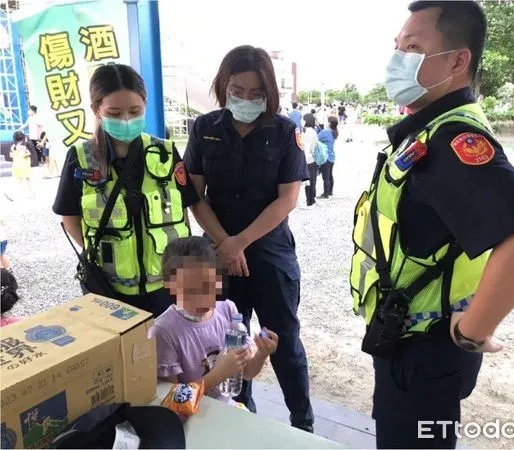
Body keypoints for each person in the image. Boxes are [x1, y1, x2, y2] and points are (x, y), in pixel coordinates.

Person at [349, 2, 514, 448]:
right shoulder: (427, 130)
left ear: (458, 60)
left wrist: (471, 331)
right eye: (398, 47)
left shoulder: (452, 141)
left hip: (425, 350)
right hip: (404, 338)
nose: (397, 59)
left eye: (413, 47)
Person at [183, 45, 314, 432]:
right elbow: (194, 195)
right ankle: (239, 417)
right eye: (236, 90)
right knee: (227, 344)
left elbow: (287, 199)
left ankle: (302, 424)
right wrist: (226, 243)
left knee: (283, 342)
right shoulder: (205, 128)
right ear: (223, 86)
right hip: (220, 256)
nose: (244, 99)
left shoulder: (285, 130)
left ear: (268, 92)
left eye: (255, 93)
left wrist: (240, 242)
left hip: (270, 254)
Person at [53, 64, 200, 318]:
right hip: (109, 291)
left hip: (165, 288)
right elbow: (70, 220)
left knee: (167, 354)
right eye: (114, 112)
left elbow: (182, 215)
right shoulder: (80, 159)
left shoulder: (165, 153)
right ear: (96, 110)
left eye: (135, 111)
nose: (126, 120)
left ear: (145, 104)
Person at [149, 236, 279, 406]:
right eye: (190, 289)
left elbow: (246, 373)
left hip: (225, 407)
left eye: (208, 285)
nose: (202, 297)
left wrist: (261, 354)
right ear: (169, 286)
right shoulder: (163, 331)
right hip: (191, 417)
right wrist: (219, 373)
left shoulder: (227, 310)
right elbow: (172, 403)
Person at [317, 116, 338, 199]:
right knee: (330, 175)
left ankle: (325, 194)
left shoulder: (325, 132)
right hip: (332, 157)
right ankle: (330, 191)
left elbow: (316, 137)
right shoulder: (333, 131)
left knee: (325, 177)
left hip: (325, 156)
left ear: (329, 123)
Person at [10, 131, 34, 197]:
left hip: (16, 166)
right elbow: (27, 154)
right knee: (28, 179)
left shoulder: (13, 146)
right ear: (23, 138)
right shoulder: (23, 147)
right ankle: (31, 193)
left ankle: (12, 194)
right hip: (24, 167)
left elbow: (11, 155)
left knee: (18, 180)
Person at [302, 114, 319, 207]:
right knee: (313, 180)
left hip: (308, 160)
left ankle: (309, 202)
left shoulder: (306, 132)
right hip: (313, 159)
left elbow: (307, 148)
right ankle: (312, 199)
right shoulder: (313, 131)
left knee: (308, 182)